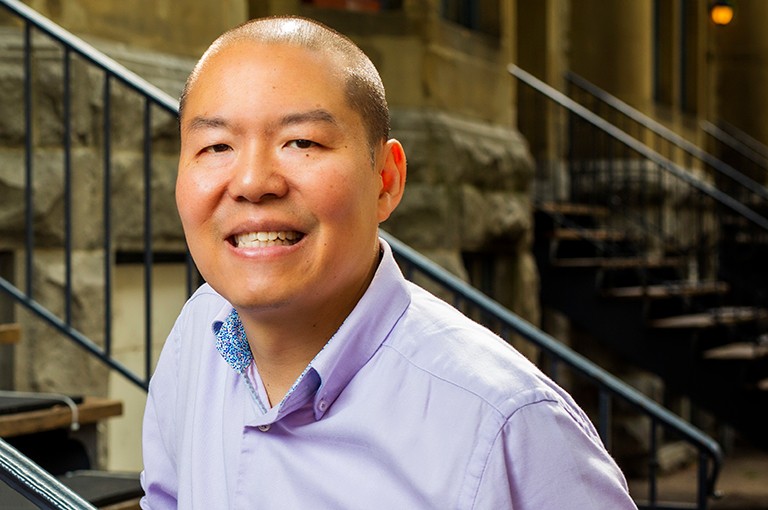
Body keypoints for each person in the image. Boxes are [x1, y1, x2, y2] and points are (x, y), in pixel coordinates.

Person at [140, 15, 637, 509]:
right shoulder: (198, 335)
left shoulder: (505, 426)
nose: (252, 182)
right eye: (217, 146)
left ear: (386, 180)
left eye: (301, 142)